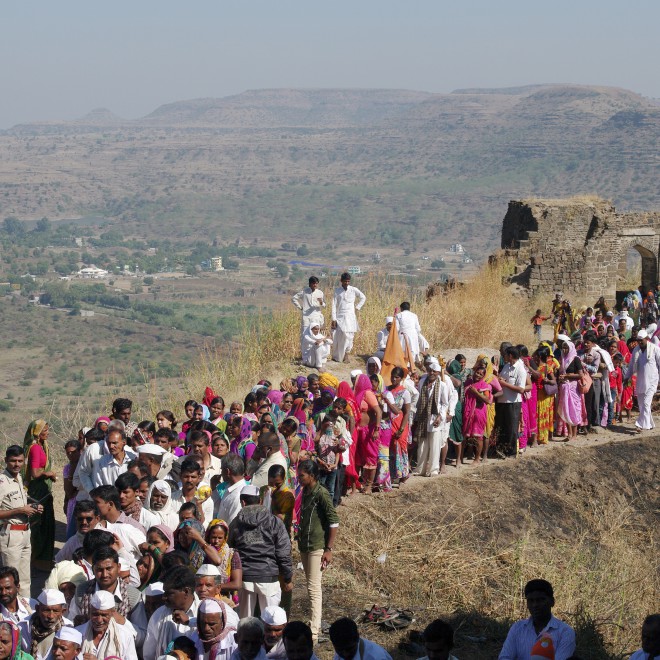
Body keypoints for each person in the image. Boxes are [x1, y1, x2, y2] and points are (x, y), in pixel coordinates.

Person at [228, 486, 293, 619]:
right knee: (271, 622)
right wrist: (287, 577)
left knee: (244, 623)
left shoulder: (235, 523)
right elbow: (283, 553)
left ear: (243, 502)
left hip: (244, 579)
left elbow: (230, 550)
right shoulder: (274, 522)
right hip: (269, 578)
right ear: (261, 501)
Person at [68, 546, 147, 649]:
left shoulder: (133, 597)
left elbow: (142, 638)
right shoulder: (82, 592)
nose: (105, 574)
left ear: (118, 568)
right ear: (93, 569)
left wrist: (122, 622)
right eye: (99, 569)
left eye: (109, 569)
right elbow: (69, 629)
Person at [296, 460, 338, 643]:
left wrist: (329, 549)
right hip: (305, 545)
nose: (299, 478)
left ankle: (314, 630)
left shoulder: (321, 493)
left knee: (314, 588)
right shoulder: (305, 491)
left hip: (317, 546)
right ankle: (314, 625)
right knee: (310, 585)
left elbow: (333, 521)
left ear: (312, 475)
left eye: (302, 475)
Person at [0, 447, 42, 597]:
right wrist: (20, 511)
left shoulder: (18, 478)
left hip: (25, 533)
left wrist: (33, 507)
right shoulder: (2, 481)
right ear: (6, 461)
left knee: (24, 580)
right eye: (13, 461)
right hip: (11, 535)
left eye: (20, 461)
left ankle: (26, 613)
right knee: (10, 579)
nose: (16, 464)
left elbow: (22, 501)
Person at [498, 579, 576, 660]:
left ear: (552, 602)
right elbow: (504, 657)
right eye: (530, 601)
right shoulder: (517, 628)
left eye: (540, 600)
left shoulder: (565, 632)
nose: (535, 605)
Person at [143, 566, 199, 660]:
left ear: (186, 592)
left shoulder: (204, 615)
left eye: (169, 593)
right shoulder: (158, 615)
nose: (163, 597)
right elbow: (149, 655)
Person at [413, 359, 457, 477]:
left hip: (435, 418)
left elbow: (444, 403)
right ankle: (420, 469)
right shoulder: (422, 381)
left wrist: (440, 416)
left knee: (435, 444)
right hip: (423, 417)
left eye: (434, 371)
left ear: (438, 373)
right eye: (430, 370)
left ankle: (433, 469)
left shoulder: (442, 385)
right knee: (422, 444)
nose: (432, 373)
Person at [23, 421, 56, 572]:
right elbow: (35, 473)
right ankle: (35, 562)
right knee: (38, 527)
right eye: (45, 430)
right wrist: (47, 473)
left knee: (44, 526)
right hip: (38, 493)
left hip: (43, 491)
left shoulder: (43, 446)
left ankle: (40, 561)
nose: (48, 433)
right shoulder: (36, 448)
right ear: (37, 433)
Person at [75, 590, 137, 660]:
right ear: (90, 611)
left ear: (112, 613)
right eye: (95, 614)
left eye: (104, 615)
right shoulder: (77, 633)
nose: (99, 620)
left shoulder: (125, 636)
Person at [18, 589, 72, 660]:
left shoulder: (70, 628)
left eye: (55, 611)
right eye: (46, 610)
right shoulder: (23, 626)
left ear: (63, 612)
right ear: (37, 609)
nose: (50, 616)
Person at [495, 347, 529, 457]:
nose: (503, 357)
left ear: (510, 356)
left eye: (505, 355)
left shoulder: (520, 369)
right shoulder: (506, 366)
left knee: (512, 428)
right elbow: (501, 378)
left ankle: (511, 452)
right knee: (501, 426)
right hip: (502, 401)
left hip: (513, 402)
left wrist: (505, 384)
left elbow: (521, 389)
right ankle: (501, 450)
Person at [624, 329, 660, 432]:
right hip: (640, 381)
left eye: (641, 340)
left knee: (646, 403)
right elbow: (631, 365)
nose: (640, 342)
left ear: (647, 339)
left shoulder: (655, 349)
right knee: (642, 404)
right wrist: (627, 377)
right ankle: (650, 424)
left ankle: (639, 424)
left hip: (652, 381)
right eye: (638, 340)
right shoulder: (636, 350)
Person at [331, 272, 366, 363]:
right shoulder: (337, 291)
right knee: (339, 336)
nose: (346, 283)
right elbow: (334, 305)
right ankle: (337, 356)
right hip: (340, 316)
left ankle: (347, 354)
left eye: (348, 281)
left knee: (350, 336)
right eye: (345, 281)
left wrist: (358, 307)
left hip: (350, 317)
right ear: (341, 281)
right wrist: (334, 319)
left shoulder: (353, 290)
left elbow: (363, 297)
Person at [556, 339, 585, 442]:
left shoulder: (575, 359)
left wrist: (568, 375)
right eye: (563, 348)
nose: (565, 350)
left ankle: (574, 434)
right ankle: (569, 434)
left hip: (573, 387)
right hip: (564, 387)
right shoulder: (562, 359)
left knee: (574, 409)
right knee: (566, 410)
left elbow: (580, 374)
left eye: (566, 348)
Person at [215, 455, 246, 525]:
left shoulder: (238, 495)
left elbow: (232, 525)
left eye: (222, 470)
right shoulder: (229, 488)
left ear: (227, 471)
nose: (221, 473)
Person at [62, 440, 81, 541]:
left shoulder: (84, 466)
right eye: (68, 453)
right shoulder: (67, 468)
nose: (70, 455)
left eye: (73, 452)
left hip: (83, 501)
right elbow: (69, 491)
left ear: (80, 451)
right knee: (72, 534)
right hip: (72, 502)